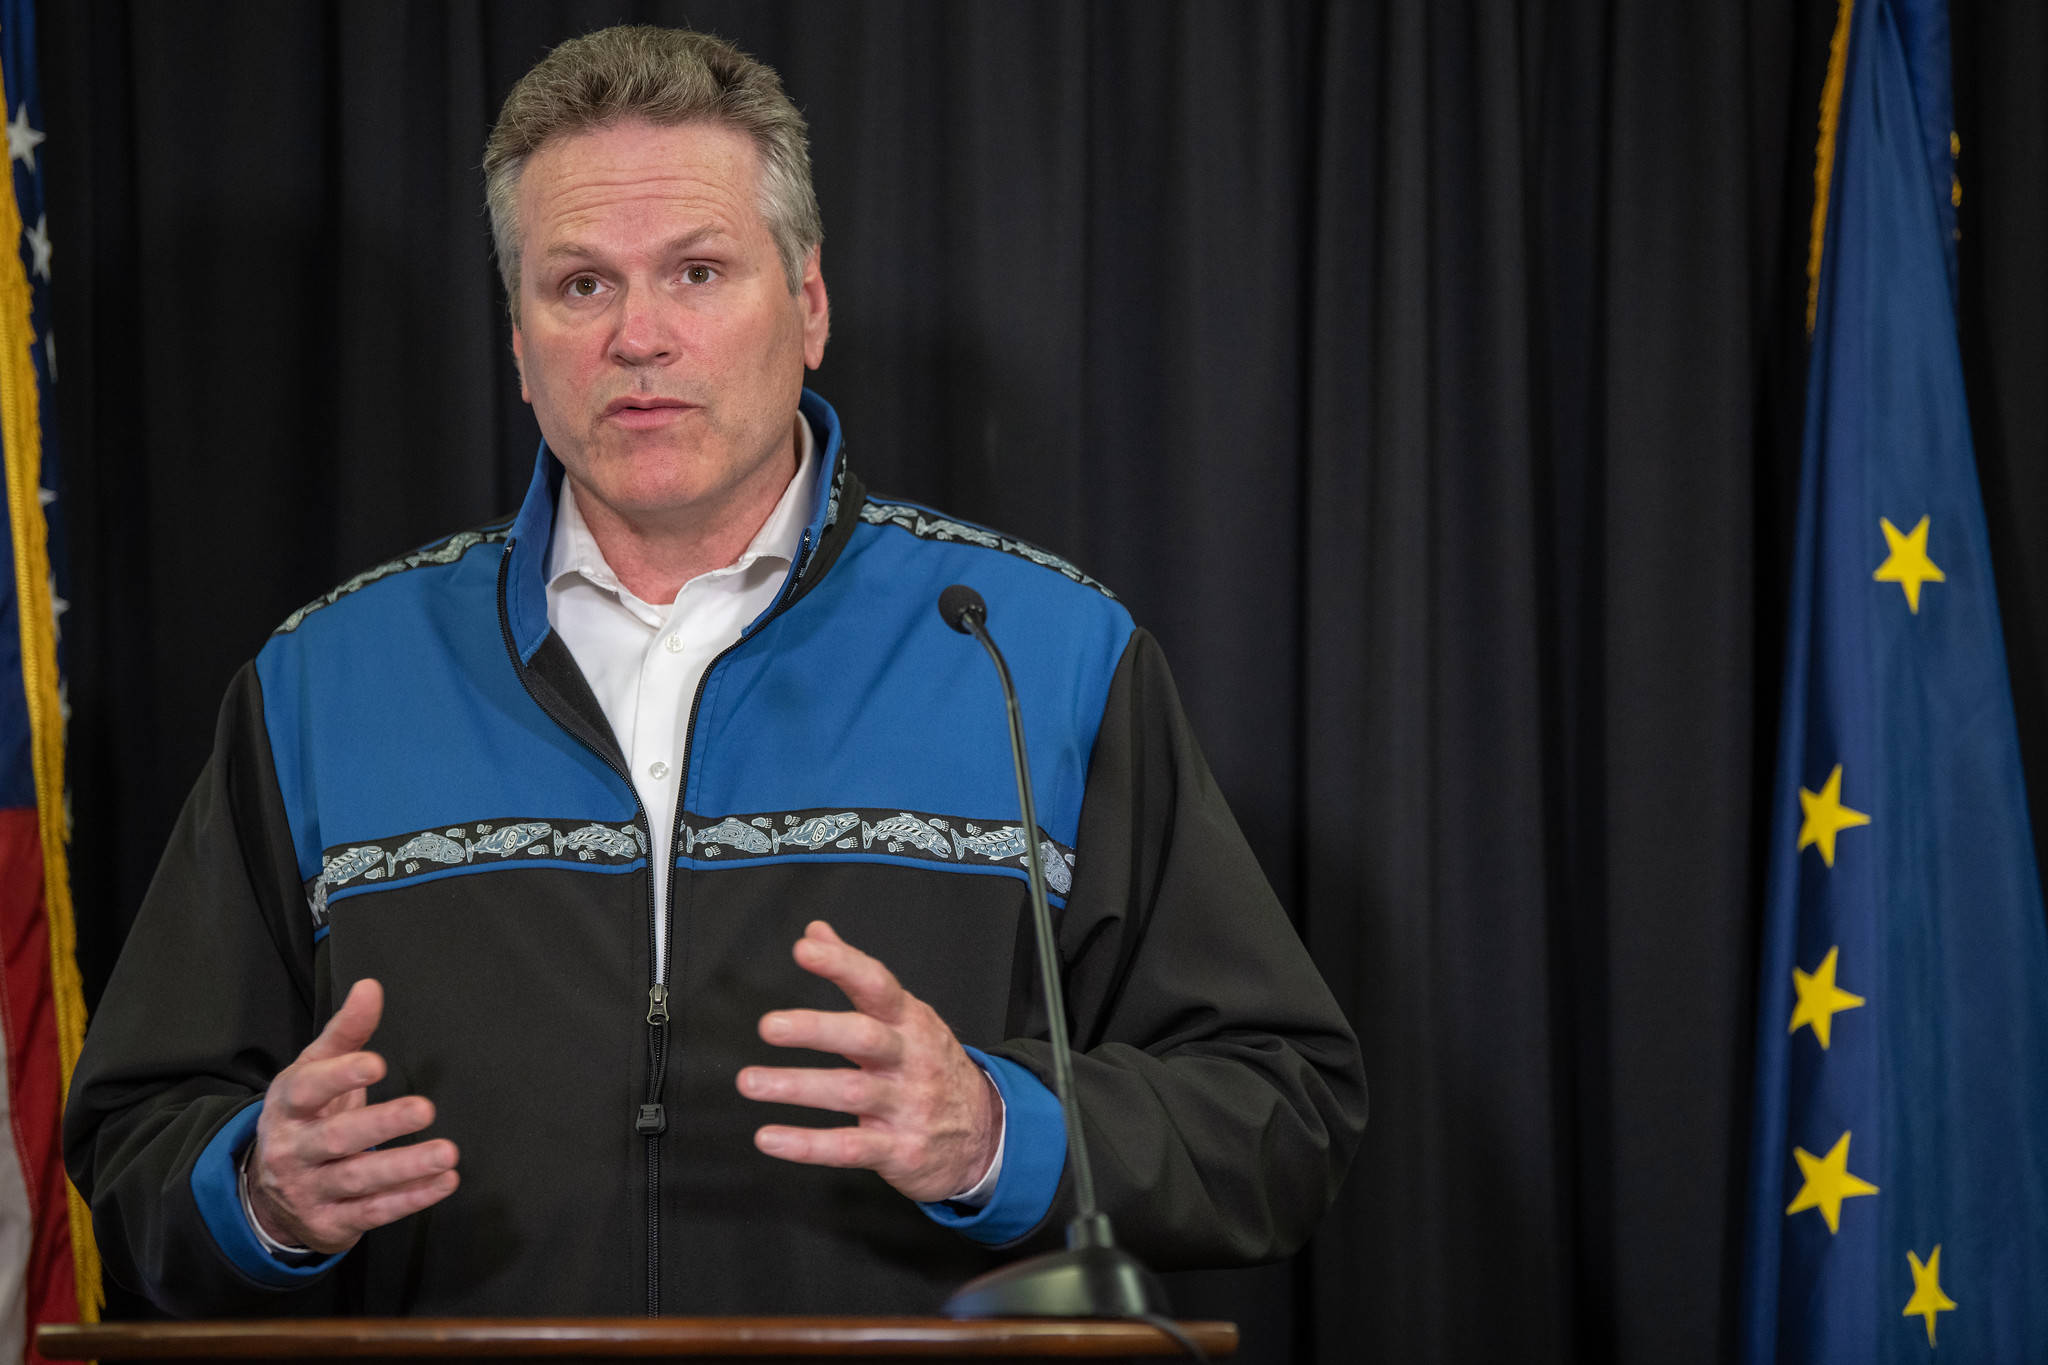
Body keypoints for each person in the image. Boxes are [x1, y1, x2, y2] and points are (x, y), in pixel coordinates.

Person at [64, 25, 1366, 1318]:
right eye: (580, 284)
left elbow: (1282, 1112)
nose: (639, 335)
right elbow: (135, 1139)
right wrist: (261, 1193)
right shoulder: (324, 681)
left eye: (696, 272)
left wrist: (995, 1134)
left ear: (807, 306)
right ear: (518, 344)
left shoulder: (1040, 653)